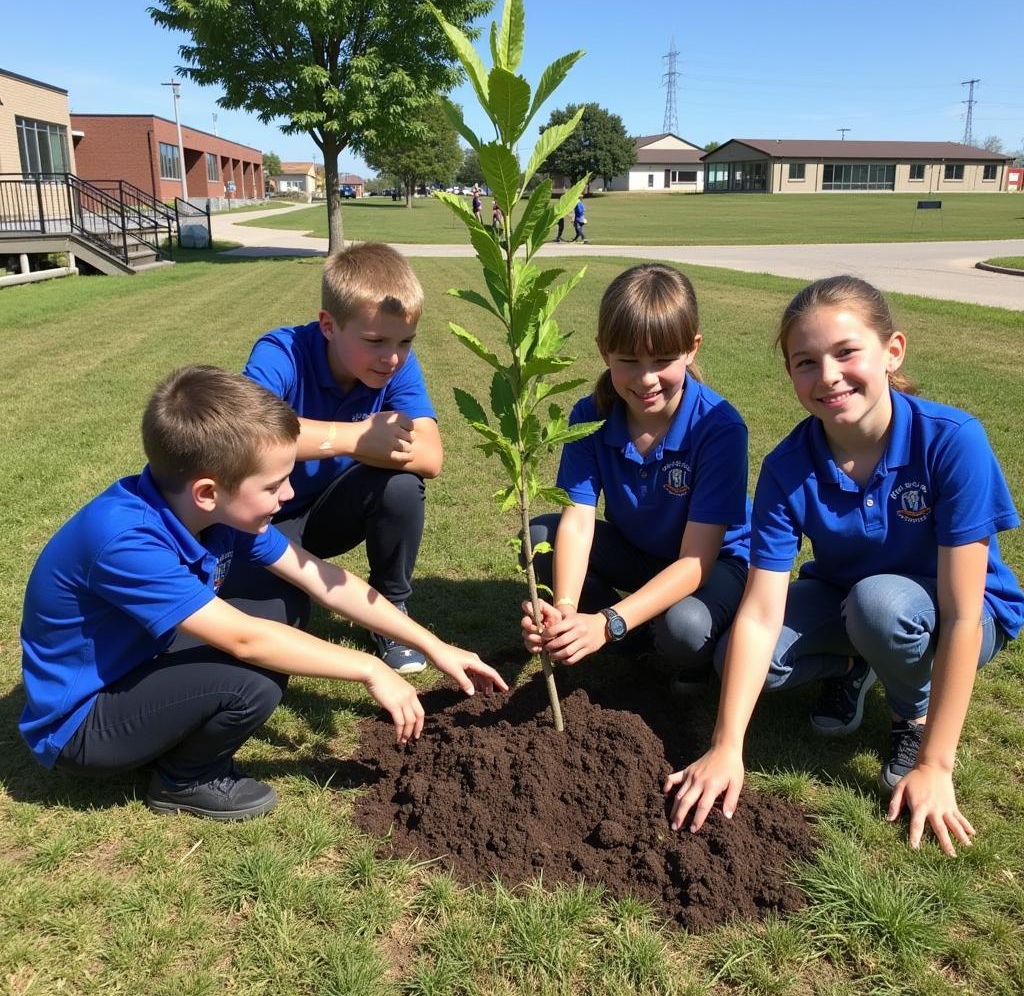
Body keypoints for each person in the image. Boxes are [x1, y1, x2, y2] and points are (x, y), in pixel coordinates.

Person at [19, 366, 506, 822]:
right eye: (275, 484)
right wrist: (370, 667)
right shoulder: (125, 540)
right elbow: (246, 641)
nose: (290, 494)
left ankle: (171, 735)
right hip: (81, 724)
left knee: (285, 601)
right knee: (252, 678)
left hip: (139, 661)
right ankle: (184, 780)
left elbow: (324, 580)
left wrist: (434, 645)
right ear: (208, 491)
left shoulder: (214, 511)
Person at [665, 275, 1023, 857]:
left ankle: (912, 714)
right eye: (806, 362)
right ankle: (856, 664)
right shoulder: (788, 465)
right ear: (790, 375)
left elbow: (961, 613)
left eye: (846, 352)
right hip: (846, 597)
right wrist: (728, 744)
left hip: (958, 615)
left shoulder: (952, 441)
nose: (828, 375)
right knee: (739, 656)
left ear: (893, 351)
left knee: (879, 606)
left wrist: (936, 761)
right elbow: (759, 612)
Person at [520, 264, 751, 690]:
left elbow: (695, 561)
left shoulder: (719, 428)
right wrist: (567, 608)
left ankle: (682, 647)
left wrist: (608, 622)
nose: (646, 379)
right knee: (540, 536)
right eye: (628, 361)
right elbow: (578, 518)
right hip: (641, 552)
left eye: (663, 361)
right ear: (604, 351)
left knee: (683, 629)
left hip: (714, 564)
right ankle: (630, 634)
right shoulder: (590, 416)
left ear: (692, 348)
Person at [235, 243, 442, 675]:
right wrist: (356, 439)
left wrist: (321, 439)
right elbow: (246, 437)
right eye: (375, 341)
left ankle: (390, 611)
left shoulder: (399, 366)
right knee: (277, 620)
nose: (392, 358)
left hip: (330, 513)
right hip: (264, 518)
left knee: (401, 486)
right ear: (329, 325)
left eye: (405, 341)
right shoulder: (281, 352)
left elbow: (430, 455)